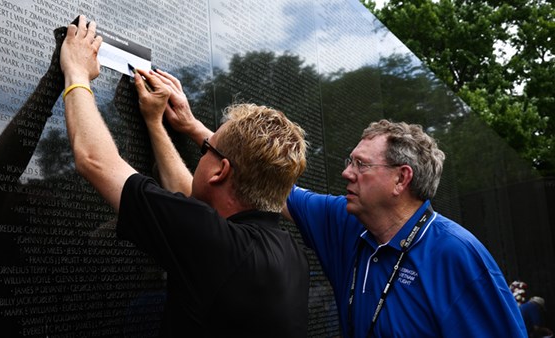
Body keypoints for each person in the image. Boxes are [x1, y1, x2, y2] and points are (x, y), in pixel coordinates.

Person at [59, 15, 310, 337]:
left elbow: (96, 160)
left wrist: (77, 71)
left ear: (221, 170)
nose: (202, 154)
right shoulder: (288, 251)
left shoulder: (218, 245)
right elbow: (188, 200)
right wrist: (154, 123)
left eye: (207, 149)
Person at [282, 120, 527, 337]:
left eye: (361, 164)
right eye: (350, 162)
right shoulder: (345, 221)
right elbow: (273, 190)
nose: (347, 173)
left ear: (401, 179)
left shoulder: (455, 254)